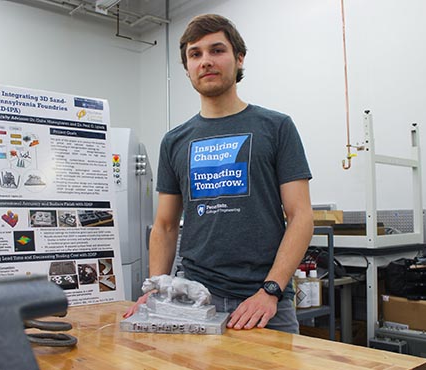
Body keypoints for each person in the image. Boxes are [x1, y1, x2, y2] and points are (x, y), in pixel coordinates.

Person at [124, 14, 314, 333]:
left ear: (239, 59)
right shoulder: (174, 141)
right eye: (195, 54)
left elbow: (301, 216)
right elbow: (166, 225)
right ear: (187, 68)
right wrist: (157, 288)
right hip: (192, 299)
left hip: (264, 303)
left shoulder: (276, 127)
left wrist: (270, 291)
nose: (206, 61)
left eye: (217, 50)